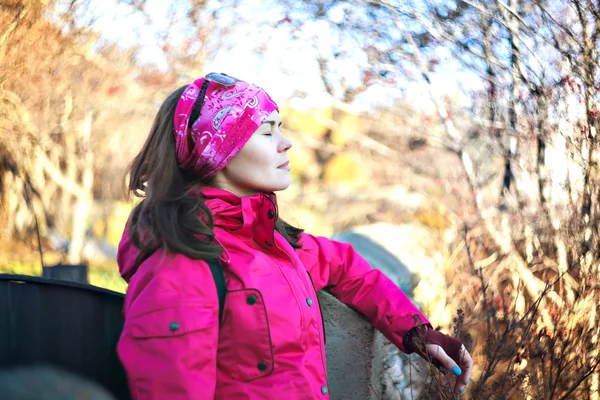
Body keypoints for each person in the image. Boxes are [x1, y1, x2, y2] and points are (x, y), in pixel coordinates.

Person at [116, 73, 473, 399]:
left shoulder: (270, 241)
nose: (286, 143)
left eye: (281, 128)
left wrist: (419, 335)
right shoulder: (180, 267)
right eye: (267, 131)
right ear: (219, 149)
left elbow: (347, 267)